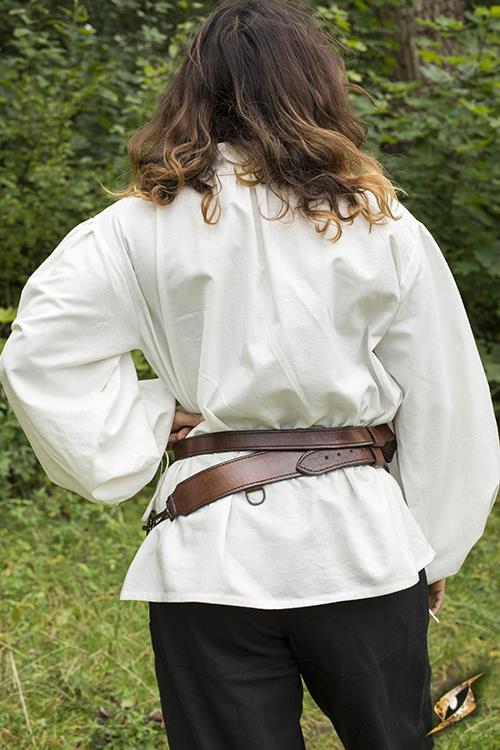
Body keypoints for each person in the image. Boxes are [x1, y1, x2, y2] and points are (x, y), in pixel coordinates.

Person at [0, 0, 498, 748]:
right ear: (317, 86)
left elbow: (39, 353)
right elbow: (445, 398)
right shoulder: (379, 224)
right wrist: (434, 544)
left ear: (192, 91)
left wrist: (147, 415)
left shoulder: (135, 227)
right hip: (361, 548)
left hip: (210, 553)